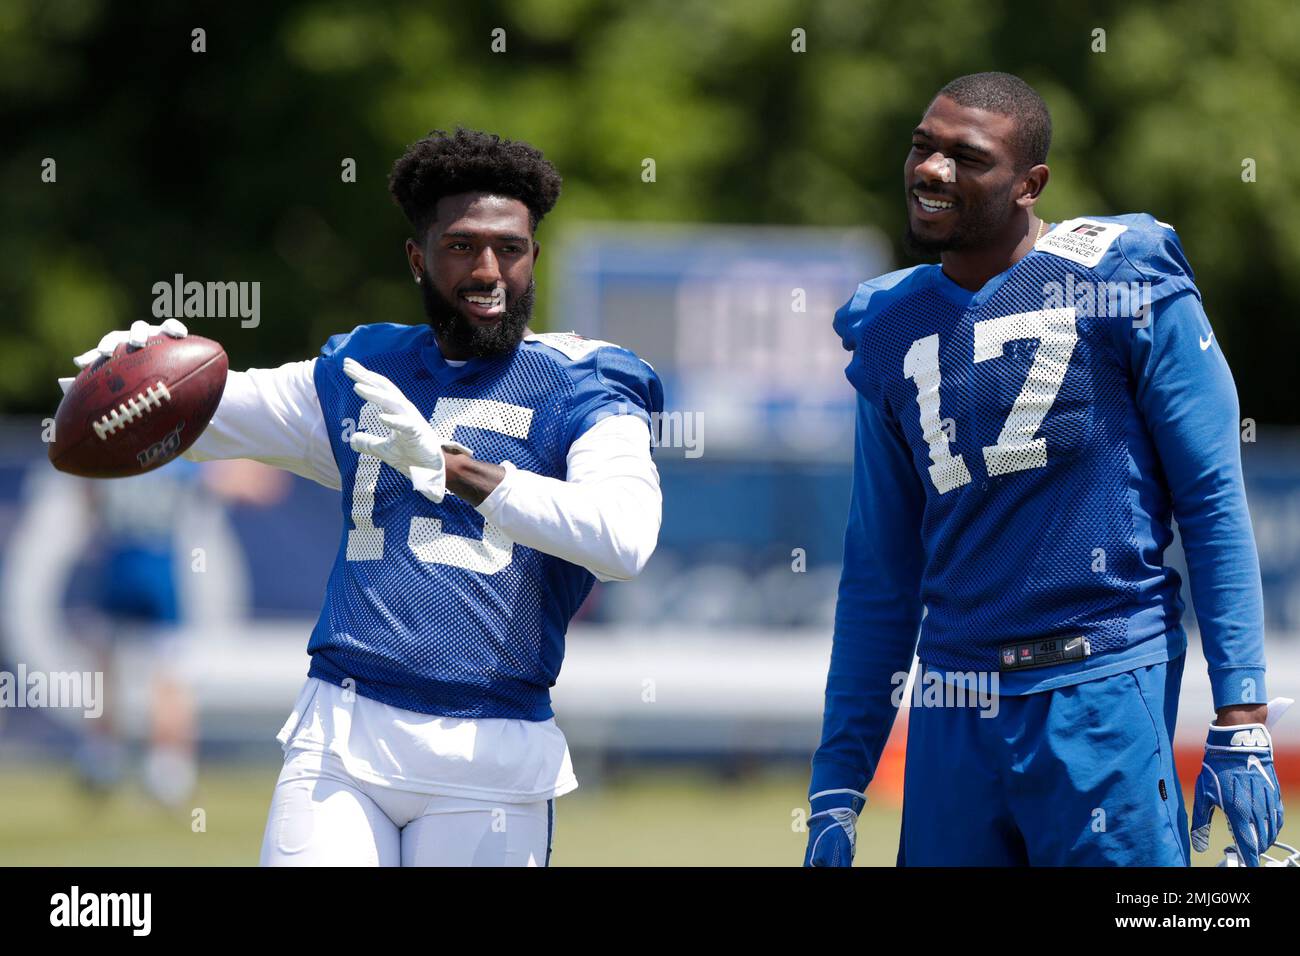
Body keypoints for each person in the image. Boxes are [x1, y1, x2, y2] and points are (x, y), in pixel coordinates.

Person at [64, 129, 663, 866]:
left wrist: (455, 470)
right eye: (461, 247)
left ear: (534, 254)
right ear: (418, 257)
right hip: (342, 736)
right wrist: (116, 375)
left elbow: (624, 539)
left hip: (492, 750)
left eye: (510, 248)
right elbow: (199, 408)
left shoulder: (585, 382)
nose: (488, 270)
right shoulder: (365, 368)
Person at [805, 72, 1287, 866]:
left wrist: (1241, 716)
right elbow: (880, 575)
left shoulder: (1121, 279)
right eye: (923, 146)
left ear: (1031, 185)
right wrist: (838, 778)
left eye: (967, 156)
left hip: (1100, 684)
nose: (931, 170)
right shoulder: (890, 325)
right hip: (954, 700)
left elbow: (1211, 501)